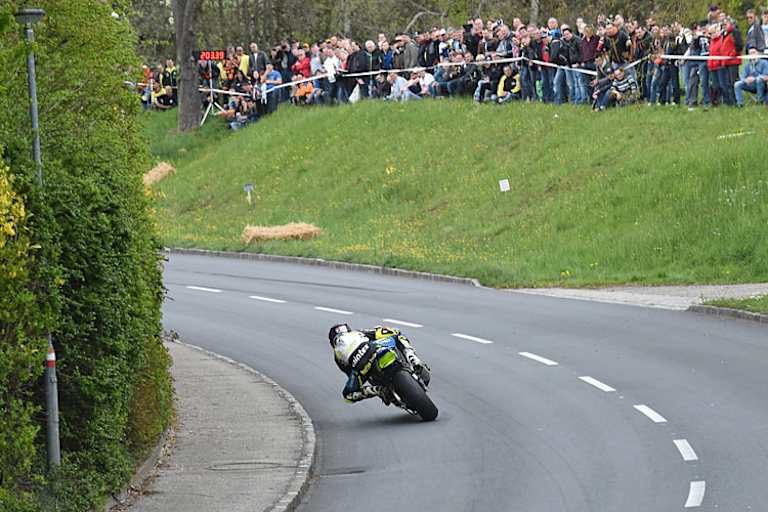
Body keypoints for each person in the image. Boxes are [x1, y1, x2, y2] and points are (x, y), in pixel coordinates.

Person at [328, 324, 428, 403]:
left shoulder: (337, 355)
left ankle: (377, 390)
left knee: (348, 396)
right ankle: (413, 359)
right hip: (373, 347)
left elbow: (349, 373)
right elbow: (385, 332)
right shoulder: (358, 332)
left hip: (361, 367)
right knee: (398, 335)